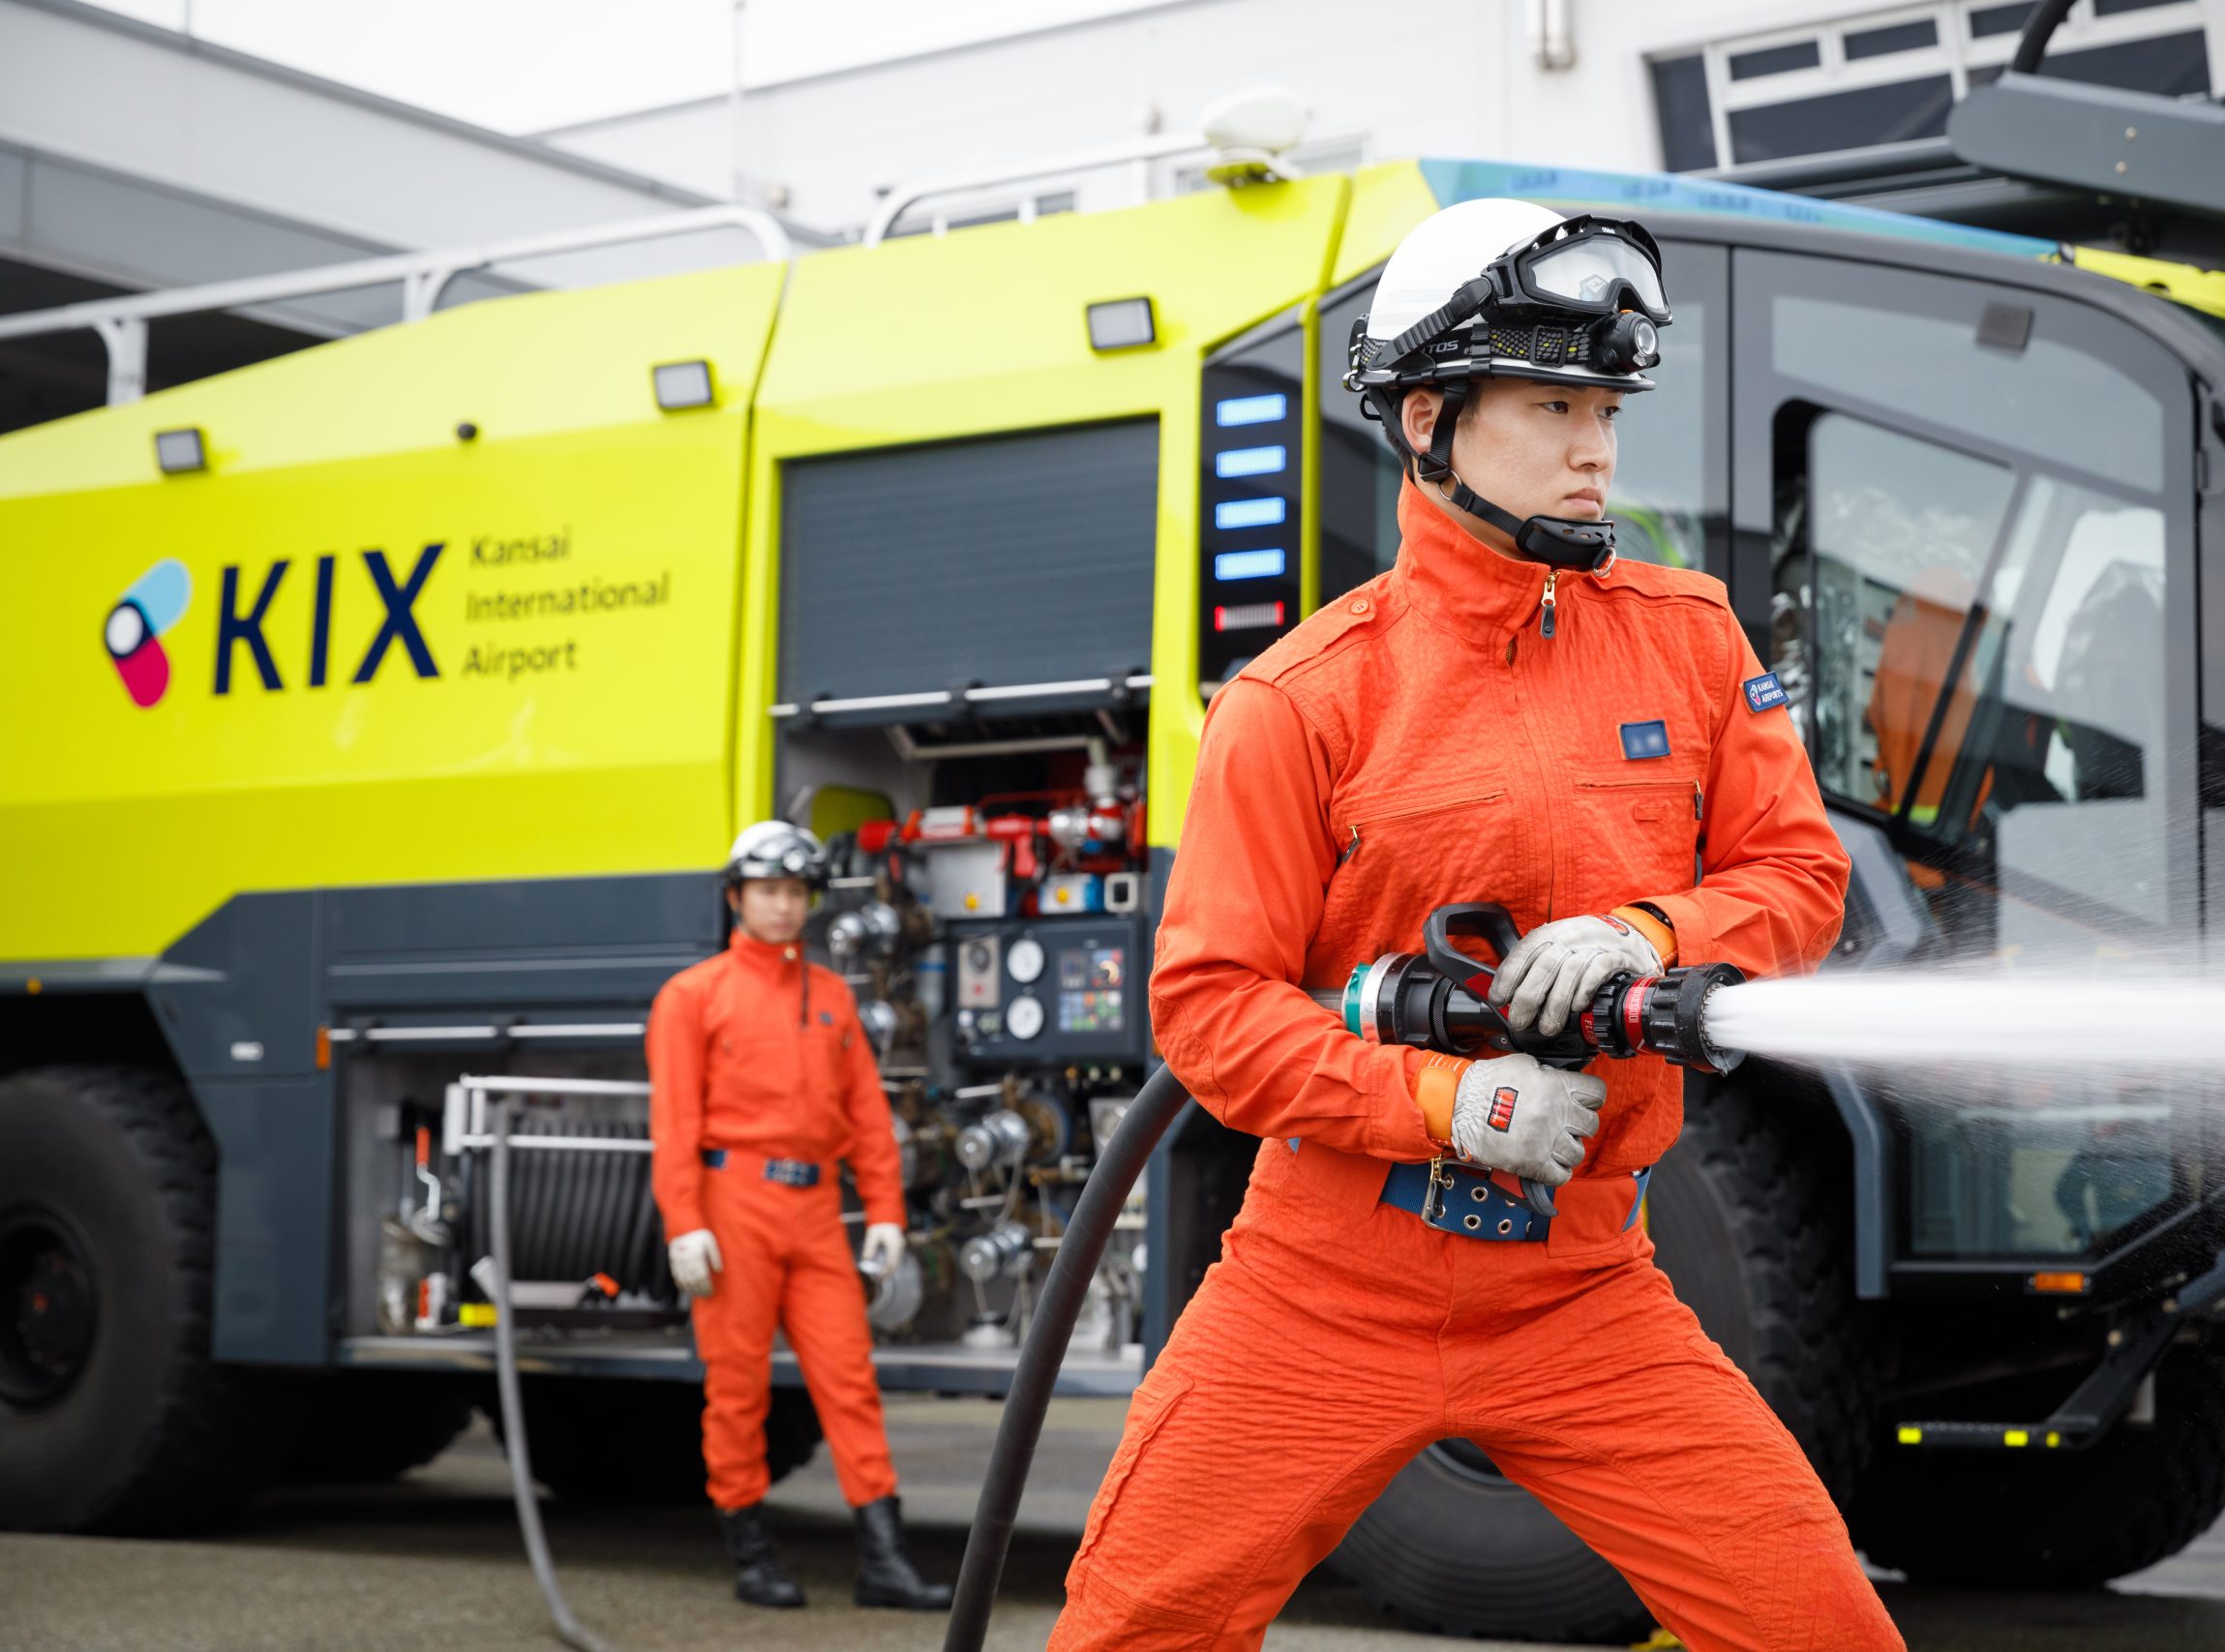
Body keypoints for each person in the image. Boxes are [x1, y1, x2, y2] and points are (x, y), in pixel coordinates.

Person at [1052, 201, 1902, 1650]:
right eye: (1555, 405)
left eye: (1608, 408)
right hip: (1322, 1288)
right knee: (1136, 1631)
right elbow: (1207, 1010)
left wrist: (1653, 929)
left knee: (1816, 1624)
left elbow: (1798, 882)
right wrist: (1451, 1095)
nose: (1598, 446)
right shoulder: (1298, 701)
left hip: (1583, 1286)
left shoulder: (1690, 636)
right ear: (1430, 421)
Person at [646, 820, 952, 1612]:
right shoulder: (692, 997)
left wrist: (885, 1209)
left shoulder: (833, 995)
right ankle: (751, 1553)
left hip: (817, 1210)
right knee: (738, 1387)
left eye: (794, 893)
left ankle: (884, 1560)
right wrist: (684, 1221)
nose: (783, 907)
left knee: (850, 1382)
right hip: (731, 1204)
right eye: (767, 891)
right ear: (736, 897)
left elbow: (866, 1114)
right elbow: (674, 1122)